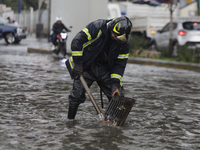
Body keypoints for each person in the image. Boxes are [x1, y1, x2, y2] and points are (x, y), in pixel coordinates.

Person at [65, 16, 132, 119]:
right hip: (87, 66)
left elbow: (120, 65)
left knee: (117, 96)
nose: (115, 39)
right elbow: (77, 41)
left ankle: (113, 122)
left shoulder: (124, 44)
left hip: (105, 70)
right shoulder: (97, 27)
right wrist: (78, 64)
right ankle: (70, 121)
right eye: (114, 36)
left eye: (118, 38)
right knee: (76, 96)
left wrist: (115, 83)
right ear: (111, 28)